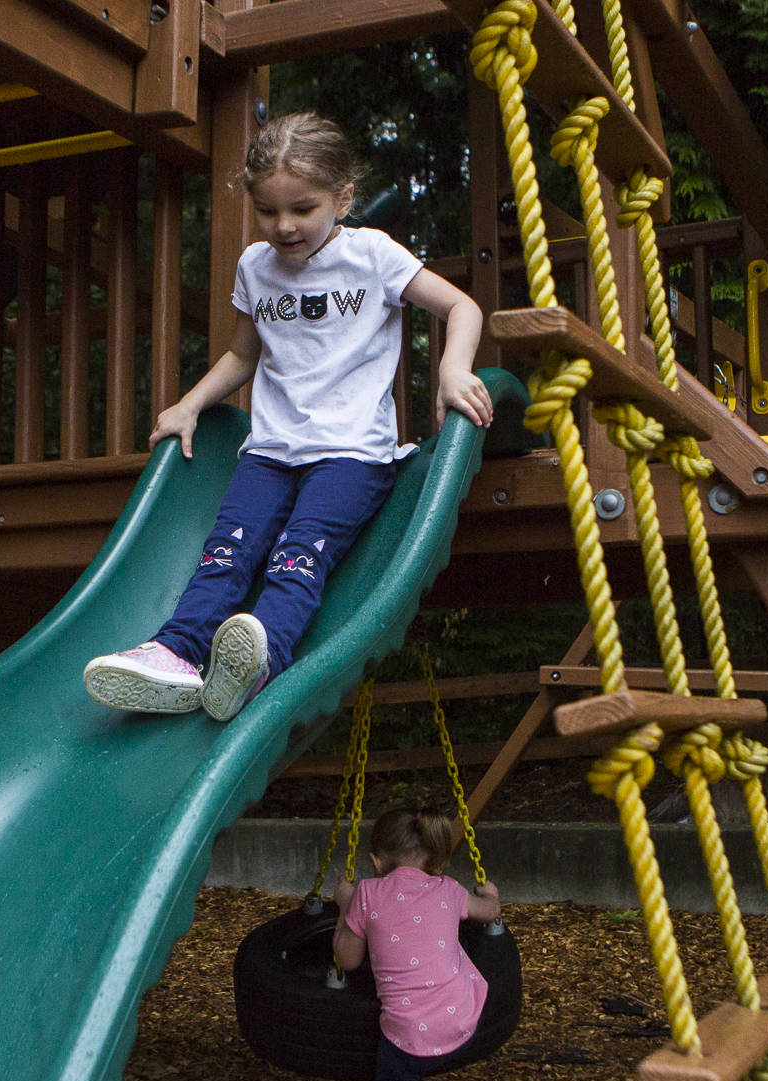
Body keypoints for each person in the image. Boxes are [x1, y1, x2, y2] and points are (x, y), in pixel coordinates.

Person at [83, 112, 493, 722]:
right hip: (271, 449)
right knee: (226, 550)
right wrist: (192, 403)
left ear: (343, 197)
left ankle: (260, 659)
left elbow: (461, 306)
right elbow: (243, 354)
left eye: (302, 208)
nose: (284, 226)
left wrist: (453, 370)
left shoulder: (372, 255)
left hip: (352, 454)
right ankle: (176, 652)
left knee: (298, 554)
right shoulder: (256, 266)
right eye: (269, 211)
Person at [332, 806, 502, 1081]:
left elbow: (348, 960)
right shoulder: (449, 890)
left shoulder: (367, 893)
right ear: (435, 860)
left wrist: (344, 906)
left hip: (406, 1041)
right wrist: (493, 896)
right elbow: (488, 911)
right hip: (461, 1027)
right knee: (453, 955)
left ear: (375, 860)